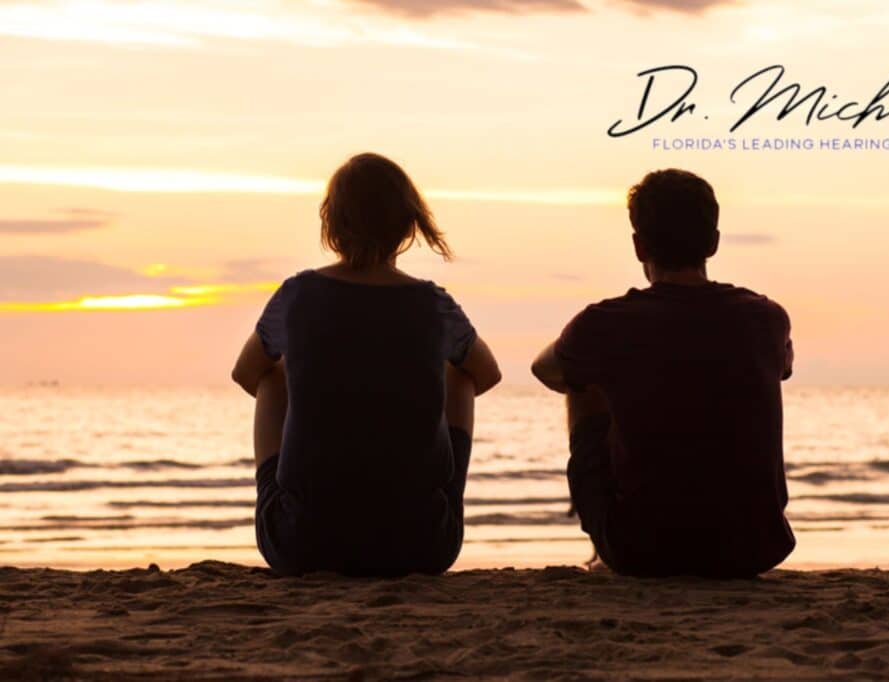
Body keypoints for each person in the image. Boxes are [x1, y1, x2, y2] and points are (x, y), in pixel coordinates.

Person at [232, 152, 501, 577]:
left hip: (301, 546)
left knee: (273, 376)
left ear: (331, 225)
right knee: (459, 375)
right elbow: (486, 374)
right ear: (408, 226)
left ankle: (286, 500)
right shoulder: (433, 304)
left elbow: (246, 373)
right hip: (421, 546)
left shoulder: (297, 295)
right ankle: (440, 502)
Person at [531, 169, 795, 579]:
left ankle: (601, 551)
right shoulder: (767, 316)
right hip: (756, 547)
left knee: (581, 378)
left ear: (639, 247)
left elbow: (546, 370)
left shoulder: (605, 323)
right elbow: (784, 367)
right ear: (713, 242)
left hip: (643, 551)